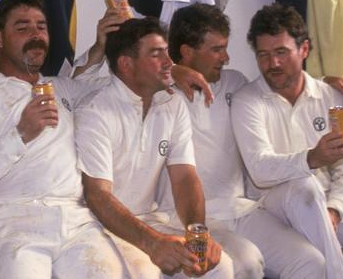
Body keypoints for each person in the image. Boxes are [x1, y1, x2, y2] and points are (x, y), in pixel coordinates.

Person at [0, 0, 126, 278]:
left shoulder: (60, 88)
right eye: (22, 28)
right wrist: (20, 134)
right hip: (12, 223)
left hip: (76, 220)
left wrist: (104, 45)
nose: (36, 35)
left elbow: (111, 87)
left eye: (41, 27)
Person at [165, 3, 343, 278]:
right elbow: (112, 81)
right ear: (187, 52)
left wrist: (324, 83)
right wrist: (170, 71)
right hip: (187, 218)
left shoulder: (234, 83)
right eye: (217, 49)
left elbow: (275, 83)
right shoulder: (161, 96)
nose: (226, 57)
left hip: (241, 208)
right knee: (247, 264)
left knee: (311, 262)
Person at [75, 17, 233, 278]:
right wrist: (153, 243)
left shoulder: (172, 104)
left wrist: (198, 234)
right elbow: (97, 197)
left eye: (167, 53)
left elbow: (185, 177)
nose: (170, 63)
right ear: (126, 64)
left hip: (148, 220)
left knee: (220, 268)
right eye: (157, 55)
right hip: (100, 226)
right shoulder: (96, 110)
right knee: (147, 272)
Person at [232, 3, 343, 278]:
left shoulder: (331, 96)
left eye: (281, 53)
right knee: (303, 183)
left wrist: (334, 210)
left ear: (304, 50)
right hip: (273, 211)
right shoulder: (246, 100)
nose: (272, 64)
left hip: (324, 205)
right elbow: (261, 171)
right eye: (264, 55)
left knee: (313, 193)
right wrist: (313, 158)